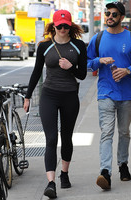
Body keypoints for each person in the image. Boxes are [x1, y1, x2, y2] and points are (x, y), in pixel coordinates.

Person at [23, 10, 87, 199]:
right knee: (51, 139)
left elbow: (82, 74)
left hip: (70, 96)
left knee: (66, 137)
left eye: (66, 26)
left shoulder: (78, 45)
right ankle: (51, 183)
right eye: (59, 26)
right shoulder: (44, 46)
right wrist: (27, 97)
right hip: (49, 96)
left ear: (70, 26)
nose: (62, 29)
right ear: (53, 26)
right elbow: (36, 73)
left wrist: (71, 67)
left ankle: (64, 174)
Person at [87, 1, 131, 190]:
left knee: (124, 132)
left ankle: (123, 164)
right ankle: (105, 172)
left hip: (126, 94)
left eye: (114, 14)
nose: (109, 17)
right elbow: (87, 63)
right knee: (107, 133)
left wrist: (128, 71)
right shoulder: (98, 38)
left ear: (121, 17)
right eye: (107, 13)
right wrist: (98, 60)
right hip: (105, 93)